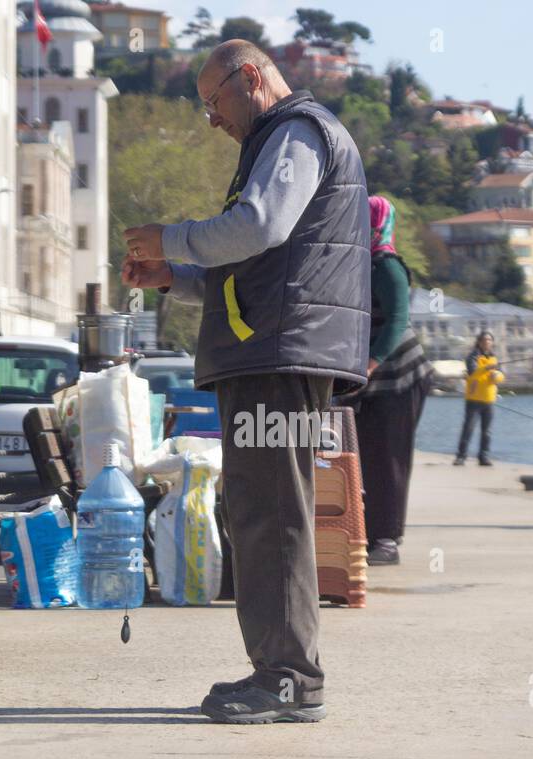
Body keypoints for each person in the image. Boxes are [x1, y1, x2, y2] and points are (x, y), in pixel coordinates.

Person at [120, 40, 369, 724]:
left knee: (272, 515)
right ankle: (279, 671)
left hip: (279, 360)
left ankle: (289, 678)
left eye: (213, 102)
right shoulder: (284, 138)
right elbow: (256, 272)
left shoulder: (295, 133)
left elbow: (259, 226)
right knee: (259, 512)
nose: (212, 121)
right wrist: (180, 275)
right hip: (275, 354)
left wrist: (170, 240)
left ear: (250, 79)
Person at [342, 195, 434, 566]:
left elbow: (396, 320)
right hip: (371, 379)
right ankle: (363, 530)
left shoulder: (387, 266)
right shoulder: (356, 263)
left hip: (400, 376)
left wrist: (371, 362)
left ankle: (388, 540)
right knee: (360, 456)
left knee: (389, 458)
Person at [454, 332, 504, 466]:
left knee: (487, 431)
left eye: (489, 340)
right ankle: (461, 456)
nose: (487, 342)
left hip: (489, 399)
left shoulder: (494, 358)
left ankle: (483, 457)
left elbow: (501, 375)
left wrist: (496, 376)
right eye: (485, 340)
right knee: (468, 429)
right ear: (479, 342)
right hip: (474, 399)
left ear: (492, 342)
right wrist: (487, 368)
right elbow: (473, 372)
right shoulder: (472, 356)